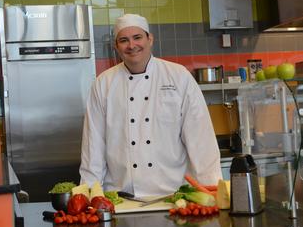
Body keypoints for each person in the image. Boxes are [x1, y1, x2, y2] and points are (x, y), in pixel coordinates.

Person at [80, 14, 222, 197]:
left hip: (173, 196)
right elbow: (93, 147)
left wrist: (213, 193)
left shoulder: (178, 77)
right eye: (124, 40)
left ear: (150, 39)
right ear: (116, 46)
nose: (131, 45)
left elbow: (201, 140)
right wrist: (88, 197)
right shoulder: (103, 84)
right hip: (121, 198)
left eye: (137, 37)